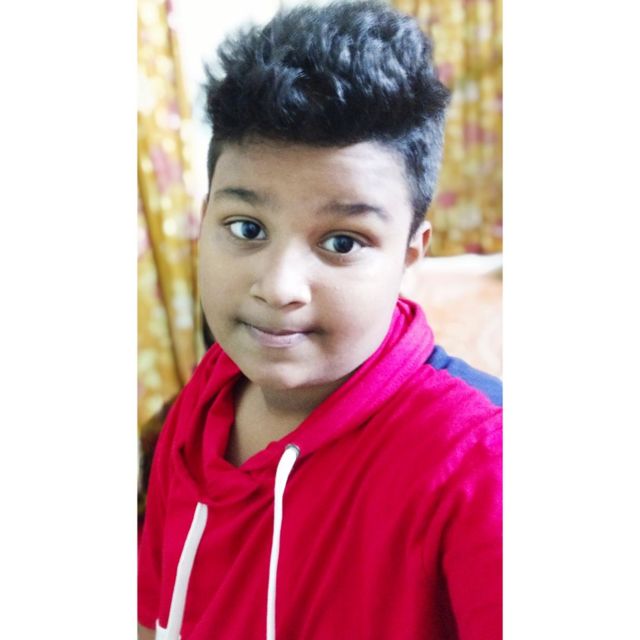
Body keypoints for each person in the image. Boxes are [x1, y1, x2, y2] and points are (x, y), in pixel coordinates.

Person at [138, 1, 502, 638]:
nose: (279, 288)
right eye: (246, 228)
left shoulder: (482, 461)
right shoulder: (206, 397)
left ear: (410, 255)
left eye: (341, 242)